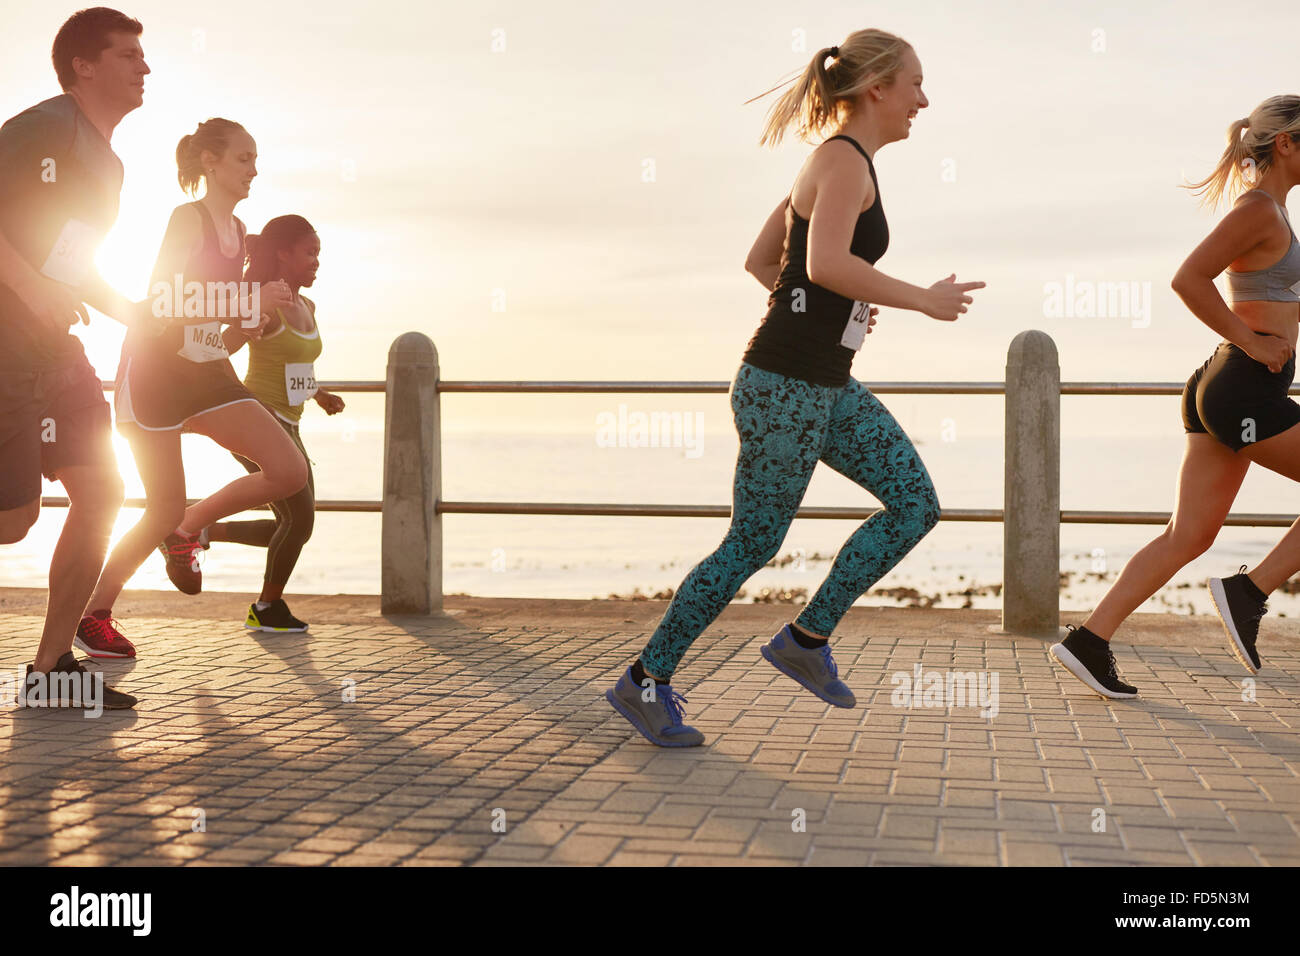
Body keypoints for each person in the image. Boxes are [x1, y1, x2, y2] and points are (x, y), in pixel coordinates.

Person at [605, 29, 983, 746]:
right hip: (782, 388)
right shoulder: (842, 163)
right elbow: (827, 261)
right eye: (915, 85)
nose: (923, 101)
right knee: (751, 545)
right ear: (877, 88)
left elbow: (766, 262)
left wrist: (839, 305)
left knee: (914, 504)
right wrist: (915, 299)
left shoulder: (842, 164)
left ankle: (806, 640)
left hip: (824, 385)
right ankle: (645, 679)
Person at [1052, 95, 1300, 698]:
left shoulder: (1275, 214)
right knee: (1189, 534)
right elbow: (1188, 277)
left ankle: (1089, 640)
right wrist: (1252, 339)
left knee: (1188, 534)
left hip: (1227, 387)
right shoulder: (1259, 210)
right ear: (1288, 143)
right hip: (1241, 386)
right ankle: (1249, 591)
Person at [74, 118, 306, 657]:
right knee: (159, 505)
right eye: (244, 158)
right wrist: (248, 303)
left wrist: (247, 325)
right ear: (211, 163)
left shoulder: (241, 233)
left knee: (288, 469)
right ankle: (93, 615)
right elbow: (161, 303)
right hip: (155, 373)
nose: (253, 169)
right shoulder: (188, 219)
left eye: (255, 159)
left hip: (207, 370)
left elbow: (210, 326)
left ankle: (187, 529)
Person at [0, 8, 161, 709]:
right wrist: (31, 286)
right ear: (84, 66)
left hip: (54, 352)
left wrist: (136, 312)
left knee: (103, 490)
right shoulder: (43, 127)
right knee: (11, 522)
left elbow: (73, 259)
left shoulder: (112, 163)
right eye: (128, 55)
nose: (144, 67)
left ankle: (50, 668)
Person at [198, 214, 344, 632]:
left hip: (290, 421)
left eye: (319, 253)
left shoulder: (307, 306)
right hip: (258, 419)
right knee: (299, 520)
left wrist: (319, 395)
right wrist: (231, 392)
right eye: (309, 253)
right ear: (283, 254)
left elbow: (295, 364)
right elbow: (219, 349)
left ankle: (202, 528)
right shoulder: (265, 302)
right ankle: (265, 608)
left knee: (295, 522)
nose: (316, 261)